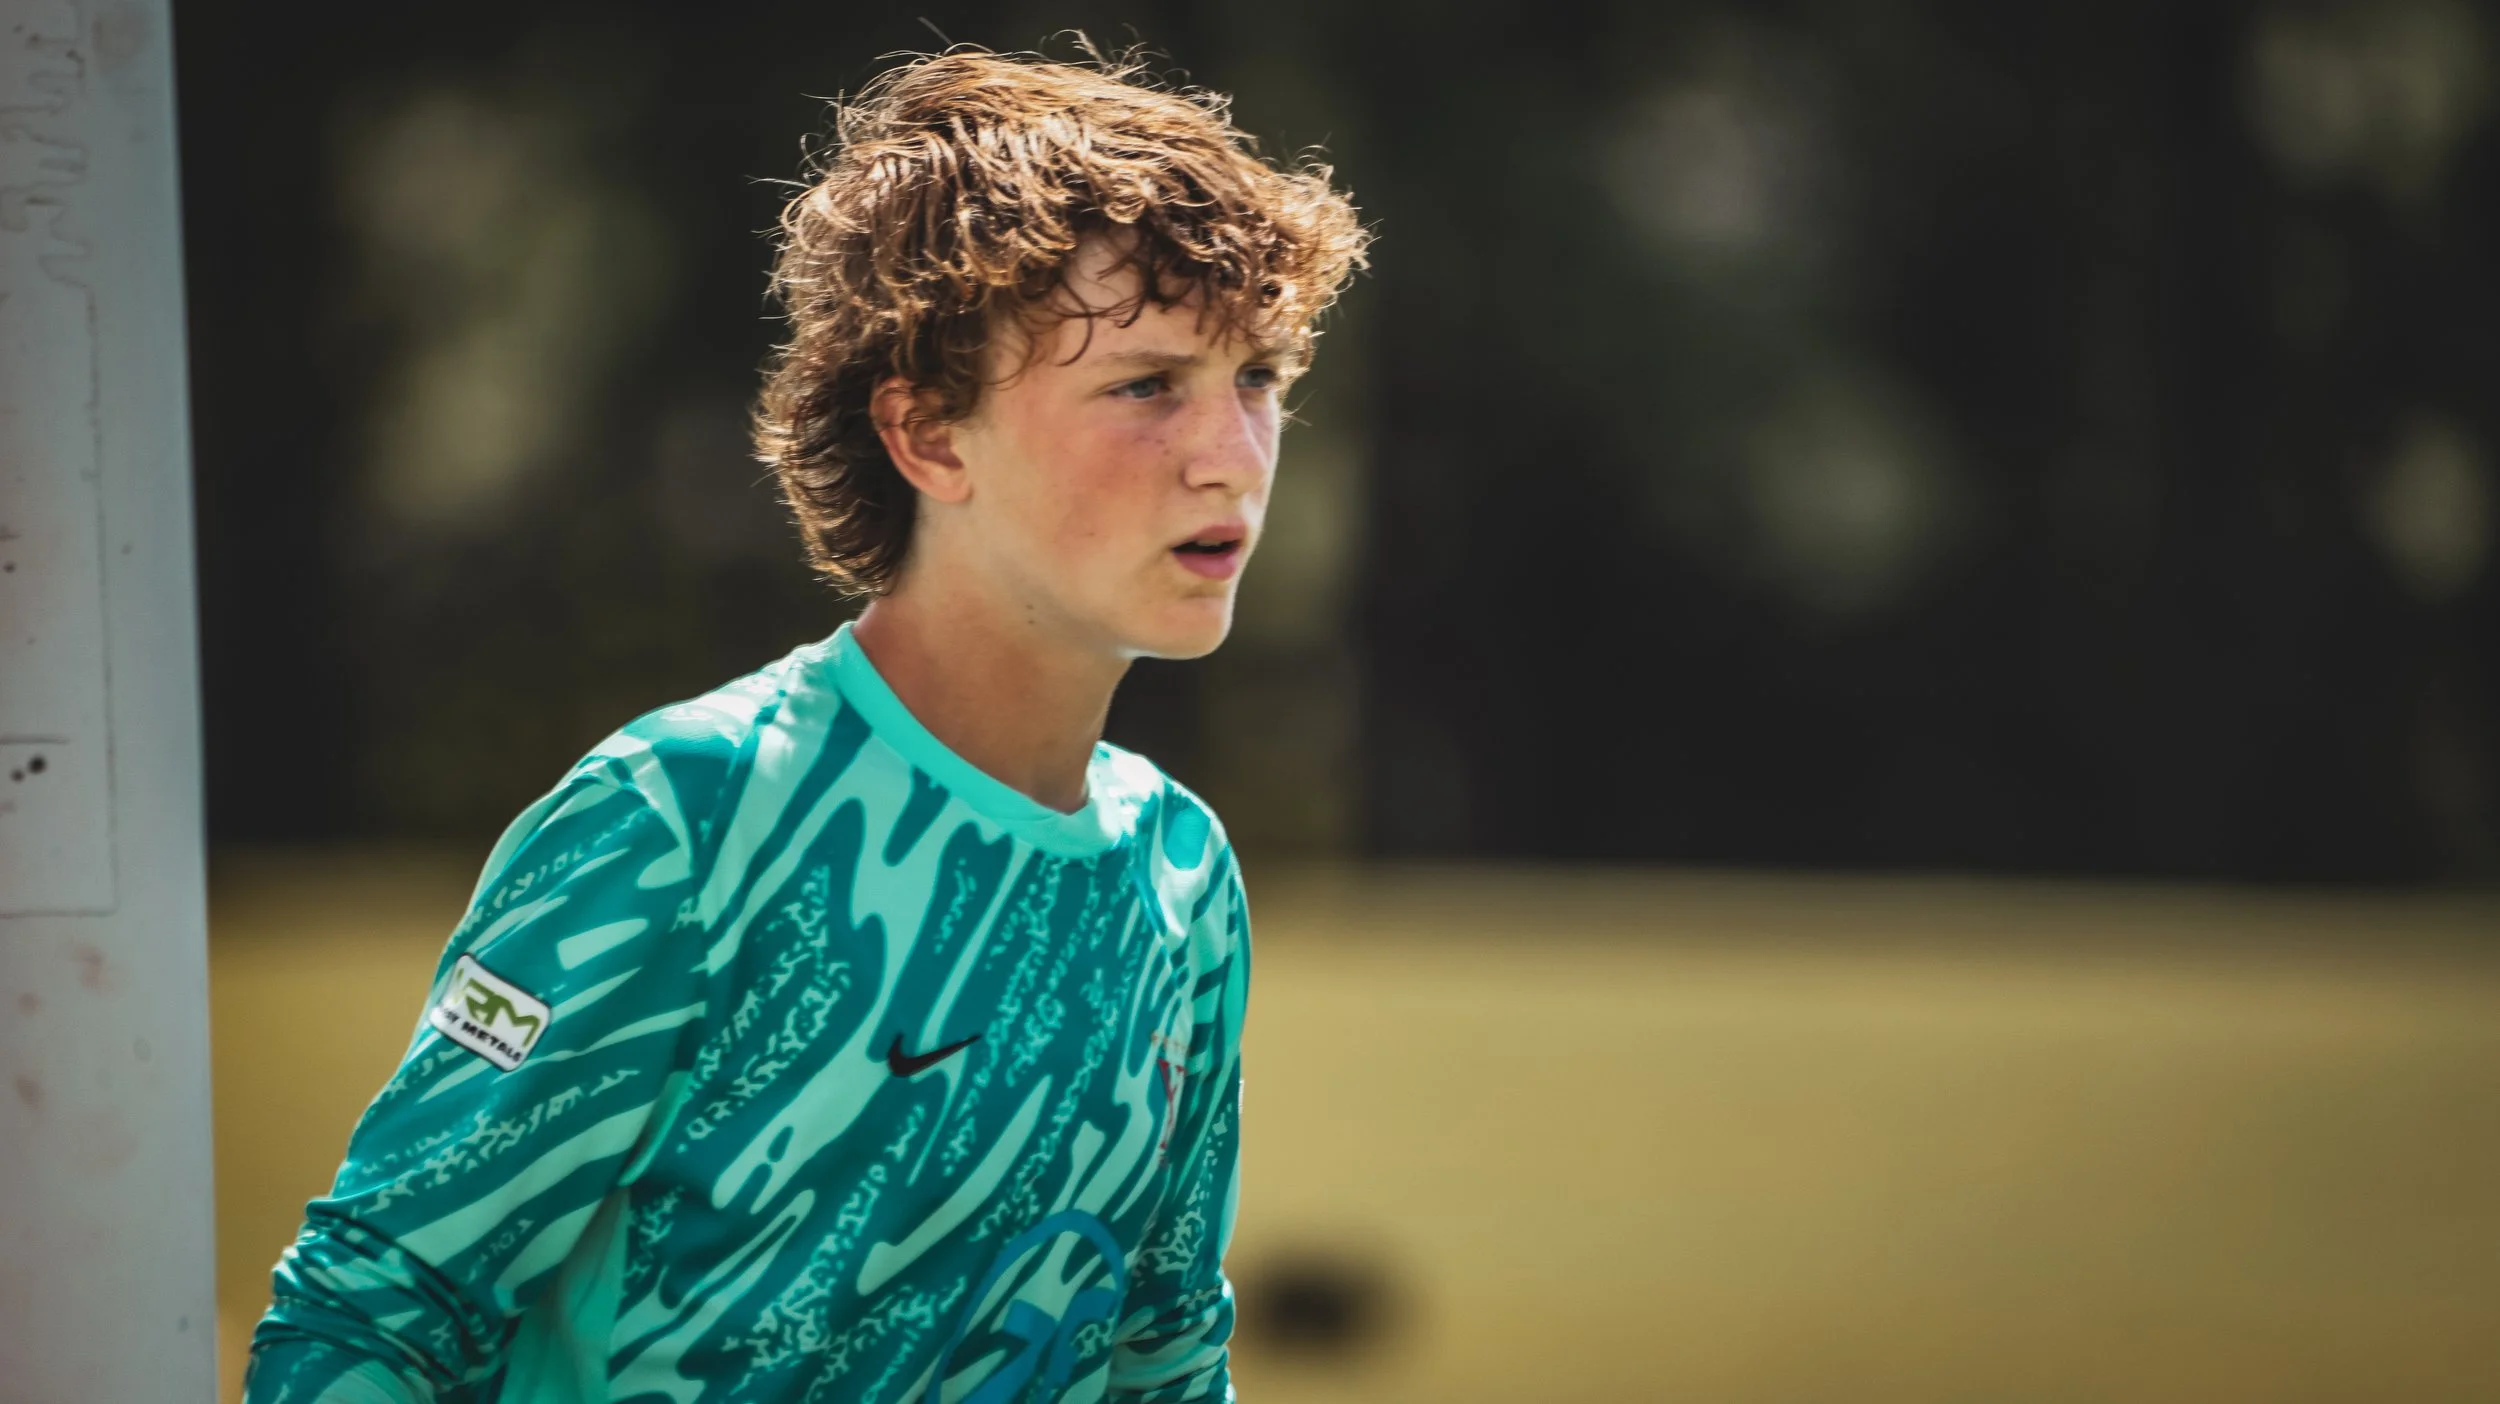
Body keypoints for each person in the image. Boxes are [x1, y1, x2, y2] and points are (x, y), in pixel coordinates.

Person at [243, 47, 1366, 1404]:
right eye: (1145, 385)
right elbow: (370, 1323)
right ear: (929, 437)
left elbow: (1167, 1351)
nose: (1233, 454)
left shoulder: (1183, 876)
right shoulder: (685, 816)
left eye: (1258, 377)